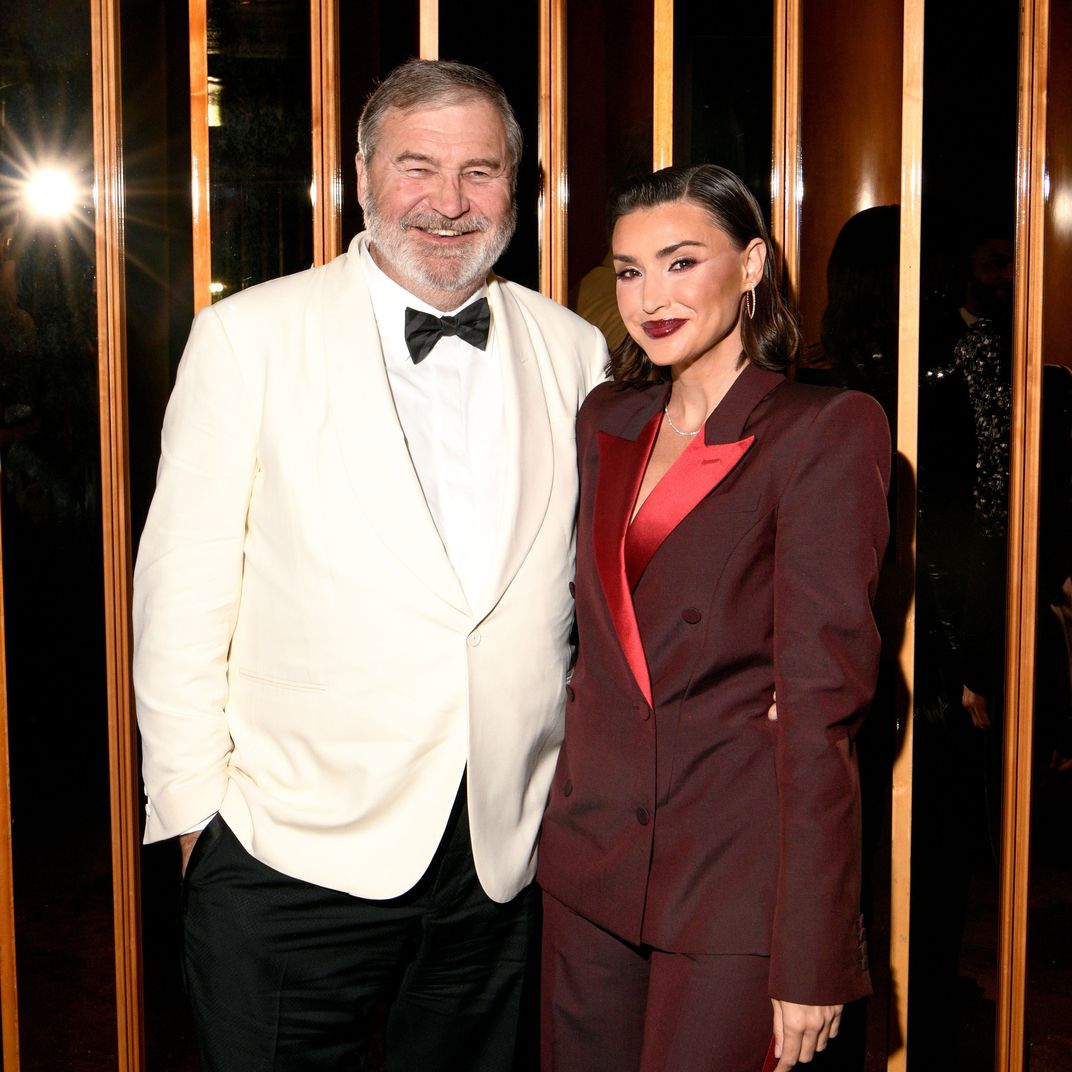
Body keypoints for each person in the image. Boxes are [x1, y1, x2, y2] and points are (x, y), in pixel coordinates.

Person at [133, 58, 607, 1071]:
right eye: (416, 166)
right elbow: (181, 594)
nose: (448, 201)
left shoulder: (575, 350)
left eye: (480, 171)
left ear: (515, 187)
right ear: (361, 176)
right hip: (287, 845)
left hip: (499, 858)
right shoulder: (247, 336)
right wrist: (197, 817)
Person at [537, 164, 891, 1072]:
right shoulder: (606, 419)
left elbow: (821, 712)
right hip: (590, 861)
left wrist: (812, 948)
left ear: (752, 265)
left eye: (681, 261)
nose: (650, 298)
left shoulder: (822, 429)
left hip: (732, 873)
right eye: (629, 271)